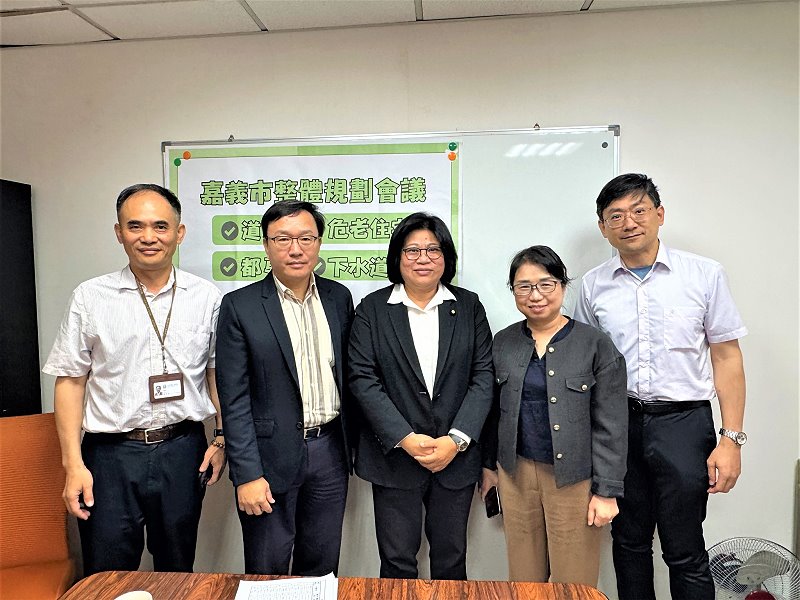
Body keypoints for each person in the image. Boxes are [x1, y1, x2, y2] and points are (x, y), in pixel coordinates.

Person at [574, 173, 747, 600]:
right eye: (616, 215)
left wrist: (731, 440)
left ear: (659, 214)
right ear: (603, 227)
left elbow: (727, 358)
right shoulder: (592, 285)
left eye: (639, 210)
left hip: (684, 423)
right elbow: (584, 365)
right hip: (619, 425)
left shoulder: (704, 275)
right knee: (628, 542)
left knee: (684, 547)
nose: (629, 222)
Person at [43, 183, 226, 575]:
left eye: (160, 226)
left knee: (177, 569)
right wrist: (73, 465)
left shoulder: (206, 297)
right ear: (119, 232)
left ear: (179, 233)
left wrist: (221, 437)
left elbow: (215, 373)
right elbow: (70, 381)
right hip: (109, 456)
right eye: (135, 226)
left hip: (182, 450)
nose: (148, 237)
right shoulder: (90, 297)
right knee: (107, 572)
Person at [348, 212, 494, 580]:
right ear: (397, 257)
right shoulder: (372, 309)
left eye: (433, 249)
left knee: (451, 560)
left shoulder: (469, 306)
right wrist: (405, 438)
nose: (423, 258)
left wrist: (456, 440)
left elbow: (483, 377)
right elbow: (363, 379)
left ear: (446, 257)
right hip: (395, 458)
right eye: (412, 250)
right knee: (397, 563)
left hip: (455, 458)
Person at [215, 200, 354, 576]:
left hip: (329, 451)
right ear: (266, 244)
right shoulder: (240, 306)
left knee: (322, 564)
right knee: (267, 567)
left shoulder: (339, 298)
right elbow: (234, 398)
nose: (296, 249)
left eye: (306, 238)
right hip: (267, 457)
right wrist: (247, 474)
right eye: (283, 239)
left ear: (319, 243)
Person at [480, 245, 627, 586]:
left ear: (562, 285)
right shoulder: (503, 342)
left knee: (573, 580)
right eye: (524, 286)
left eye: (546, 284)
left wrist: (607, 491)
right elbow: (492, 412)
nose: (535, 295)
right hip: (515, 475)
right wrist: (488, 468)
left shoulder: (595, 344)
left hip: (575, 478)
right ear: (513, 291)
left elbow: (612, 424)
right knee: (524, 578)